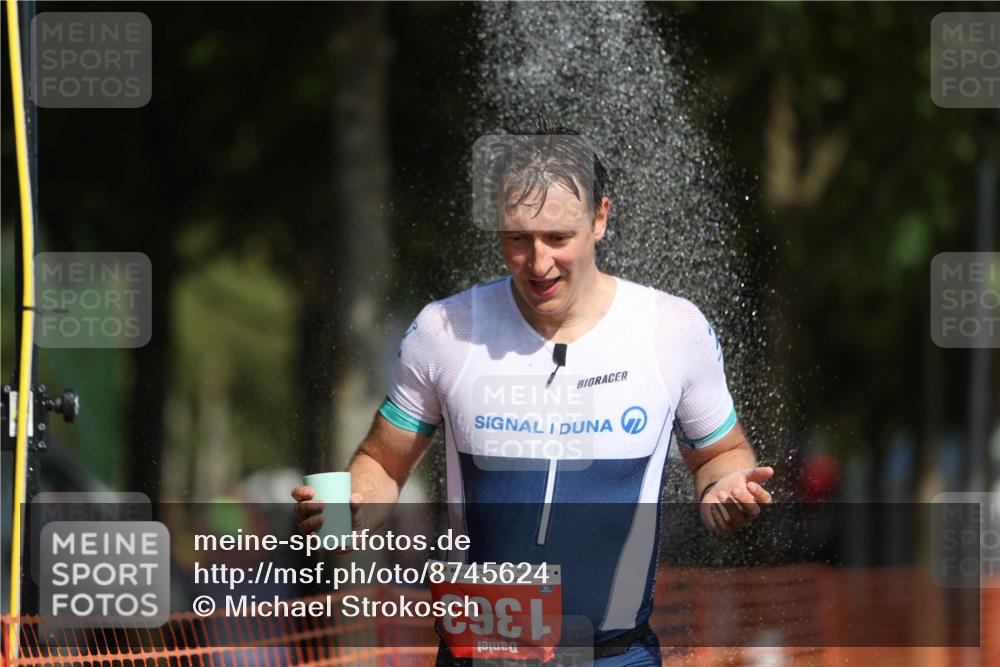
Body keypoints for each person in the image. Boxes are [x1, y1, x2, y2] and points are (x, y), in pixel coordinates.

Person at [292, 127, 774, 666]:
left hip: (615, 655)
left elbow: (720, 454)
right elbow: (383, 461)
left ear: (600, 218)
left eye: (557, 238)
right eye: (517, 240)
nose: (538, 263)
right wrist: (352, 506)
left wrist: (727, 490)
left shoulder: (672, 330)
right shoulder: (445, 331)